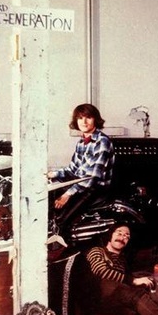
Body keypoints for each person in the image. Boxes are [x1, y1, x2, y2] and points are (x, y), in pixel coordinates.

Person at [48, 103, 115, 242]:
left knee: (62, 221)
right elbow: (73, 169)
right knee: (49, 197)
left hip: (95, 187)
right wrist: (52, 174)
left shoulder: (102, 141)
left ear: (95, 119)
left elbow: (92, 177)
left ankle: (67, 247)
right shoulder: (81, 143)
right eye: (80, 118)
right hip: (81, 183)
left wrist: (67, 194)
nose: (83, 122)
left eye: (88, 117)